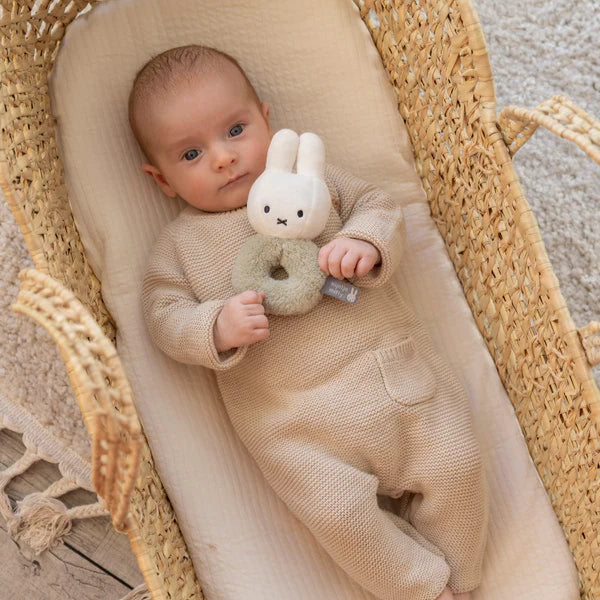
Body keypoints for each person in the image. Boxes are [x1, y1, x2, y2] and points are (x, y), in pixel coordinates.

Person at [131, 44, 488, 600]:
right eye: (192, 153)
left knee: (457, 462)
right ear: (162, 181)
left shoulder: (316, 186)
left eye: (235, 130)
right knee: (340, 515)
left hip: (393, 381)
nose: (223, 158)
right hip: (295, 427)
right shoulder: (181, 246)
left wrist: (363, 242)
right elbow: (162, 314)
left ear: (267, 121)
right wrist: (215, 326)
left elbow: (379, 205)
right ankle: (421, 587)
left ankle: (464, 576)